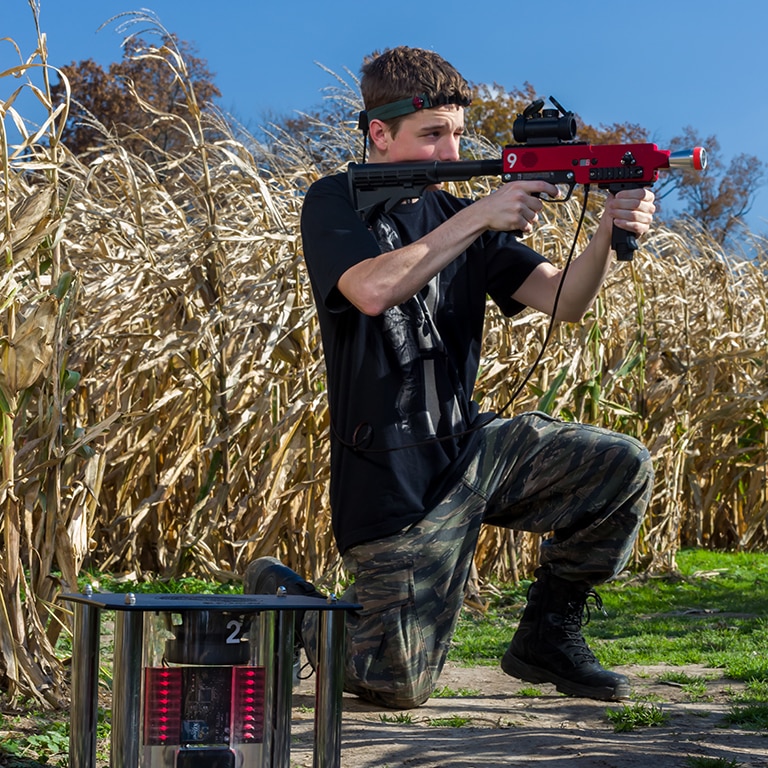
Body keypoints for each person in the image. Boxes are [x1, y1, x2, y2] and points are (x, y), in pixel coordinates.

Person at [246, 46, 655, 709]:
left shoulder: (464, 217)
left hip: (472, 448)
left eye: (458, 133)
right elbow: (372, 289)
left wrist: (608, 230)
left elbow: (565, 301)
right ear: (379, 132)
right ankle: (292, 606)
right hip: (392, 479)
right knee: (396, 688)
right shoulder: (335, 203)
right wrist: (479, 216)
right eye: (432, 134)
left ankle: (548, 636)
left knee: (621, 465)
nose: (450, 149)